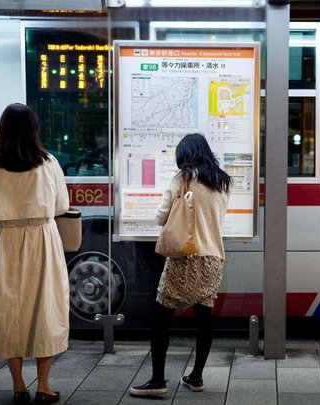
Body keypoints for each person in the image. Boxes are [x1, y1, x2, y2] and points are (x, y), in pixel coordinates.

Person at [0, 103, 69, 405]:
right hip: (42, 238)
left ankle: (18, 385)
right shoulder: (48, 162)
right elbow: (61, 205)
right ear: (33, 130)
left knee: (7, 310)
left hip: (4, 239)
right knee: (46, 309)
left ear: (2, 129)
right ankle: (45, 386)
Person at [130, 133, 232, 397]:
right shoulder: (222, 181)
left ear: (185, 155)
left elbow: (161, 216)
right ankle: (196, 376)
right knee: (204, 317)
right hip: (213, 258)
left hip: (186, 257)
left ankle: (157, 380)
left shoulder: (183, 178)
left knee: (161, 316)